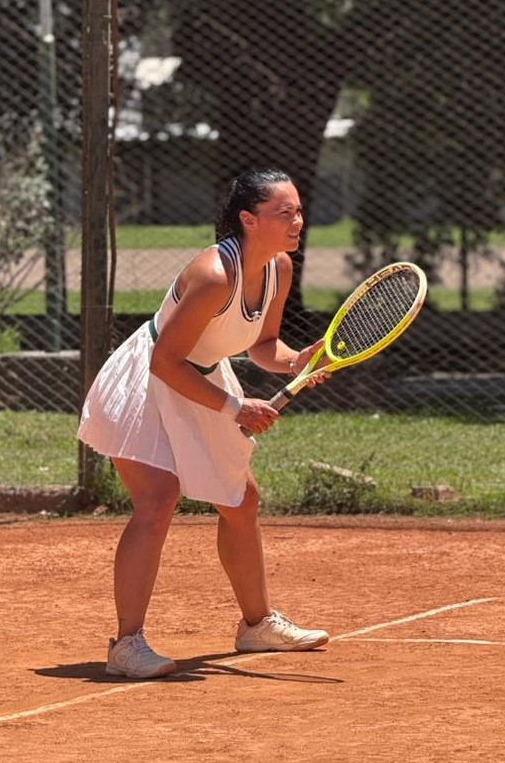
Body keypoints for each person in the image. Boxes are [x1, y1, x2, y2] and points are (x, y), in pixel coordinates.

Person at [77, 167, 330, 679]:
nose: (298, 221)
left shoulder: (279, 269)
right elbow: (165, 363)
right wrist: (238, 409)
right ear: (248, 220)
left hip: (203, 378)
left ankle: (256, 626)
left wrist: (294, 361)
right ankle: (127, 644)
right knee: (157, 498)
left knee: (242, 499)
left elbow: (262, 345)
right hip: (148, 379)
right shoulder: (215, 275)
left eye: (299, 211)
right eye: (285, 213)